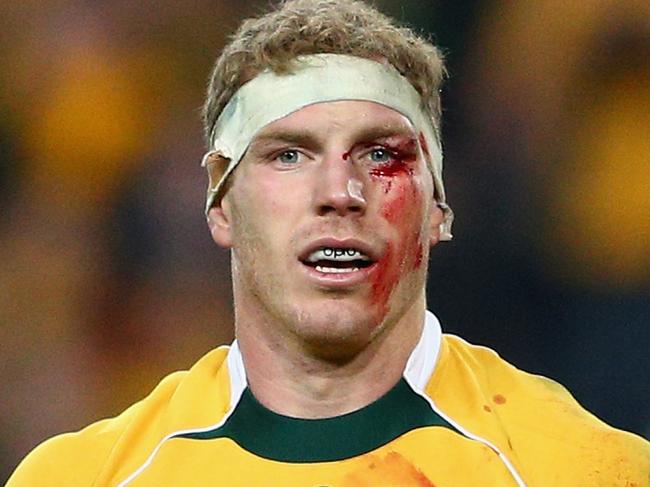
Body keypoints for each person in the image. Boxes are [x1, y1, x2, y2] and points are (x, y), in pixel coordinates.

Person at [8, 0, 649, 485]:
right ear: (219, 199)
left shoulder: (586, 469)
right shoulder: (82, 477)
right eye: (289, 155)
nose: (339, 190)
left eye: (379, 155)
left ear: (439, 206)